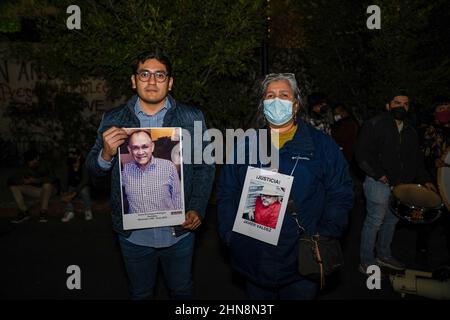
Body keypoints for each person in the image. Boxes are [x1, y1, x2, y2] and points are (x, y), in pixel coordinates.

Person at [85, 49, 214, 300]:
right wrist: (106, 155)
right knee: (141, 293)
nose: (152, 81)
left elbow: (205, 167)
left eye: (160, 75)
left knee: (182, 290)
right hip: (134, 236)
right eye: (144, 74)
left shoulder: (191, 117)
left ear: (170, 82)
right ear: (134, 81)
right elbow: (93, 172)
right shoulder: (113, 118)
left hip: (179, 233)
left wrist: (197, 208)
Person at [217, 73, 353, 300]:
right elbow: (227, 190)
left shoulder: (321, 146)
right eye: (270, 96)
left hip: (300, 260)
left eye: (284, 95)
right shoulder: (247, 144)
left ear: (296, 104)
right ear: (263, 105)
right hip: (254, 256)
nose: (276, 101)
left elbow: (340, 193)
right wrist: (230, 234)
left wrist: (326, 233)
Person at [355, 89, 436, 274]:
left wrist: (425, 180)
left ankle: (384, 255)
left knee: (391, 221)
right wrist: (379, 174)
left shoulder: (411, 131)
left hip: (400, 187)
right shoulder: (374, 124)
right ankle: (366, 261)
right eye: (397, 102)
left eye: (405, 104)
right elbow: (361, 154)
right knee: (374, 222)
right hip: (379, 183)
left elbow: (416, 160)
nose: (402, 107)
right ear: (388, 105)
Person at [416, 97, 450, 267]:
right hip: (432, 180)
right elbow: (419, 156)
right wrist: (433, 162)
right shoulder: (428, 130)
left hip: (448, 181)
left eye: (448, 107)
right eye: (442, 108)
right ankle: (421, 253)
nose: (446, 111)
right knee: (428, 218)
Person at [121, 130, 182, 213]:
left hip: (165, 224)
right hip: (137, 225)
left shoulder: (169, 167)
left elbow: (177, 196)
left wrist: (177, 220)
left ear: (152, 147)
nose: (140, 152)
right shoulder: (125, 170)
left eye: (145, 146)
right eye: (135, 148)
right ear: (129, 149)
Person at [8, 149, 56, 223]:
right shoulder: (25, 165)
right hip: (35, 190)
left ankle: (43, 212)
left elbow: (52, 178)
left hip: (49, 191)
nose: (29, 164)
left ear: (36, 159)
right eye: (27, 162)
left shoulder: (46, 163)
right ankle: (24, 212)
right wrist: (22, 181)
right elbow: (11, 180)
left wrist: (35, 180)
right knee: (14, 186)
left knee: (47, 185)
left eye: (30, 161)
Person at [61, 147, 93, 222]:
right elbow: (64, 179)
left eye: (73, 155)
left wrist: (74, 193)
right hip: (71, 187)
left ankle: (88, 210)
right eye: (70, 155)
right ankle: (69, 211)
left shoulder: (84, 165)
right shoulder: (67, 165)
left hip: (82, 188)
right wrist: (65, 192)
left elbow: (85, 181)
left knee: (84, 190)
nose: (71, 156)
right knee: (64, 191)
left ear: (79, 156)